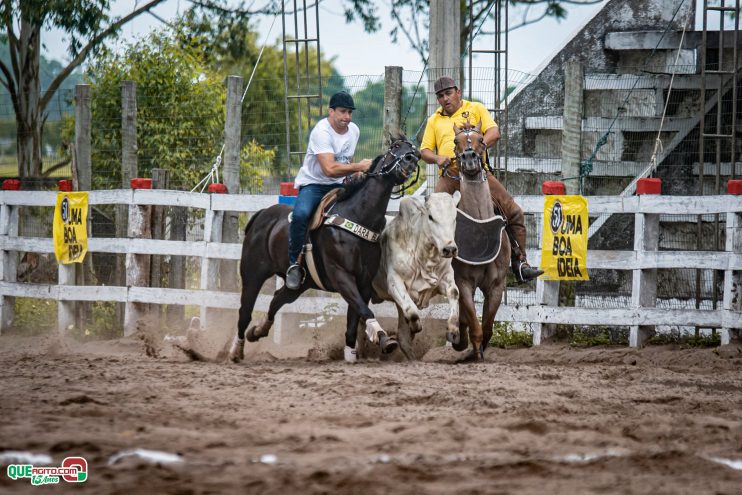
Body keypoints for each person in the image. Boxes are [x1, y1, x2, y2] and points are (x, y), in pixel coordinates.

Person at [420, 76, 543, 283]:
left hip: (480, 175)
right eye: (440, 96)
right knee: (430, 216)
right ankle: (428, 269)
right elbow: (424, 151)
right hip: (451, 176)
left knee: (514, 212)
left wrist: (474, 150)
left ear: (458, 91)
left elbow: (494, 132)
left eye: (448, 93)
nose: (445, 99)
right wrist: (437, 157)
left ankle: (520, 262)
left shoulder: (476, 108)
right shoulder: (434, 120)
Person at [285, 91, 373, 290]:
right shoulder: (321, 132)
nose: (347, 117)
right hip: (315, 184)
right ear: (330, 111)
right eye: (342, 112)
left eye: (350, 113)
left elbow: (346, 160)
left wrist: (353, 175)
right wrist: (359, 167)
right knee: (300, 215)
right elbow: (330, 169)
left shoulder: (354, 130)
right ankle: (294, 264)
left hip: (340, 182)